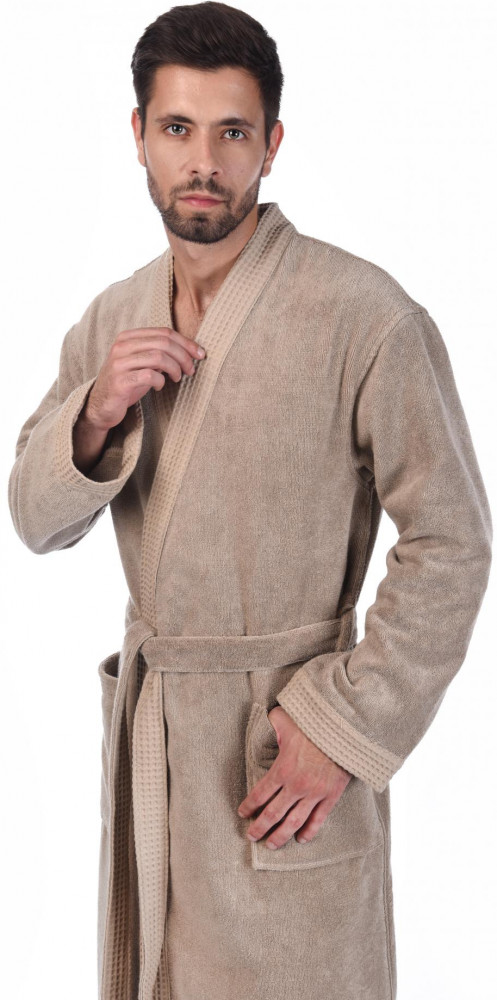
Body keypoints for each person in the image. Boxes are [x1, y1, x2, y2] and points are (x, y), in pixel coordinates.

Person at [7, 3, 492, 999]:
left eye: (232, 131)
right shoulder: (111, 318)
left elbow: (452, 537)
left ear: (271, 144)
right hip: (157, 762)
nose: (203, 161)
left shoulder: (363, 315)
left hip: (276, 755)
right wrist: (93, 414)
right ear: (137, 136)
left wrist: (343, 724)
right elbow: (33, 516)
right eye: (177, 128)